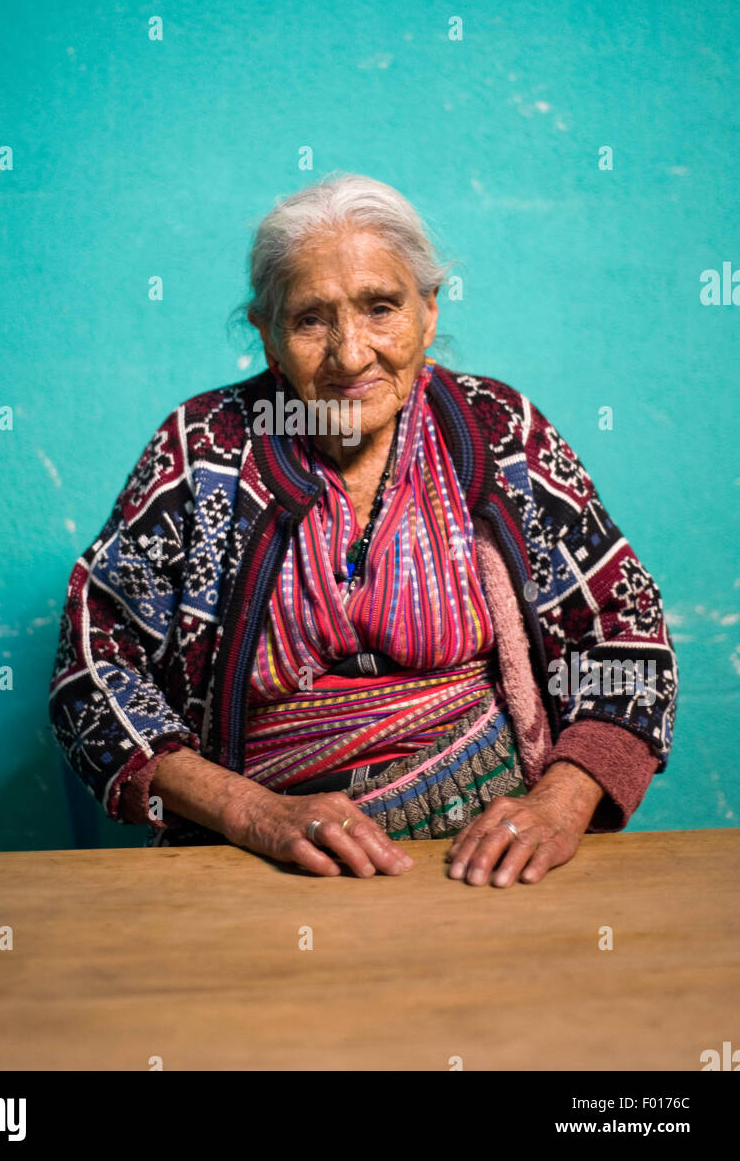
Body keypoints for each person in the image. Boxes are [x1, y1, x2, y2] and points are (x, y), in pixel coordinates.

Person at [49, 173, 677, 887]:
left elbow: (626, 636)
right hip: (259, 861)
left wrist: (557, 808)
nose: (350, 356)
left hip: (485, 856)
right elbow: (92, 673)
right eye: (311, 319)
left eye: (381, 308)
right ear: (268, 336)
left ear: (429, 311)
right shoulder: (202, 450)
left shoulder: (498, 430)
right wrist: (256, 815)